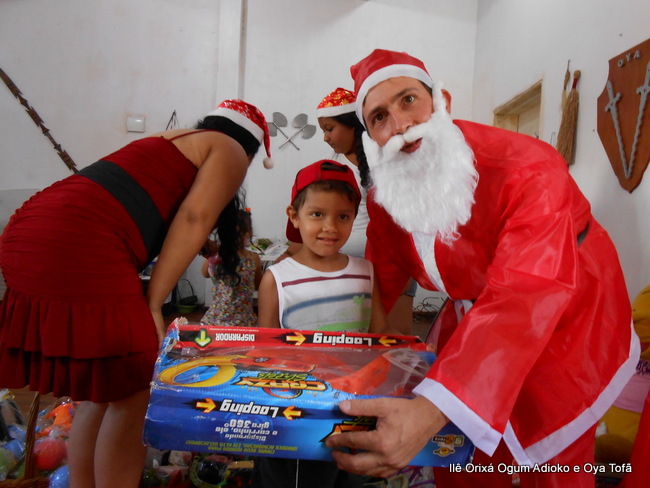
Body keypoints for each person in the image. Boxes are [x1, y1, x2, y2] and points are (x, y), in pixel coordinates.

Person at [324, 49, 638, 488]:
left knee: (553, 454)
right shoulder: (388, 192)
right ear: (371, 135)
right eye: (379, 117)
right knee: (462, 451)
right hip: (477, 312)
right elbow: (383, 273)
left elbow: (526, 292)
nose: (400, 125)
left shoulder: (529, 167)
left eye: (408, 100)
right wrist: (355, 356)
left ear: (441, 101)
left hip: (568, 314)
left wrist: (431, 410)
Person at [0, 98, 273, 488]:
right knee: (136, 389)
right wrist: (154, 303)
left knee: (103, 391)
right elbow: (194, 217)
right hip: (78, 238)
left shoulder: (173, 139)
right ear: (250, 150)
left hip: (29, 230)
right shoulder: (229, 148)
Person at [254, 159, 390, 488]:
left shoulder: (366, 272)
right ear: (294, 216)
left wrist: (417, 354)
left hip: (354, 408)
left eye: (343, 217)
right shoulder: (277, 278)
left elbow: (382, 336)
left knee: (349, 478)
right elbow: (264, 350)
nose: (330, 227)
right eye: (317, 214)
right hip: (296, 412)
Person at [279, 87, 415, 334]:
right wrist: (289, 254)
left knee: (392, 338)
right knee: (351, 332)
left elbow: (405, 221)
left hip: (391, 266)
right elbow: (314, 215)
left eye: (329, 129)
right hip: (348, 269)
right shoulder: (336, 170)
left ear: (353, 126)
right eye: (323, 130)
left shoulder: (386, 162)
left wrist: (405, 268)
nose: (325, 138)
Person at [200, 208, 262, 327]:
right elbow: (205, 273)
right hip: (217, 320)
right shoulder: (219, 255)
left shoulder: (253, 258)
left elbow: (260, 285)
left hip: (242, 322)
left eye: (236, 234)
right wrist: (212, 256)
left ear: (249, 233)